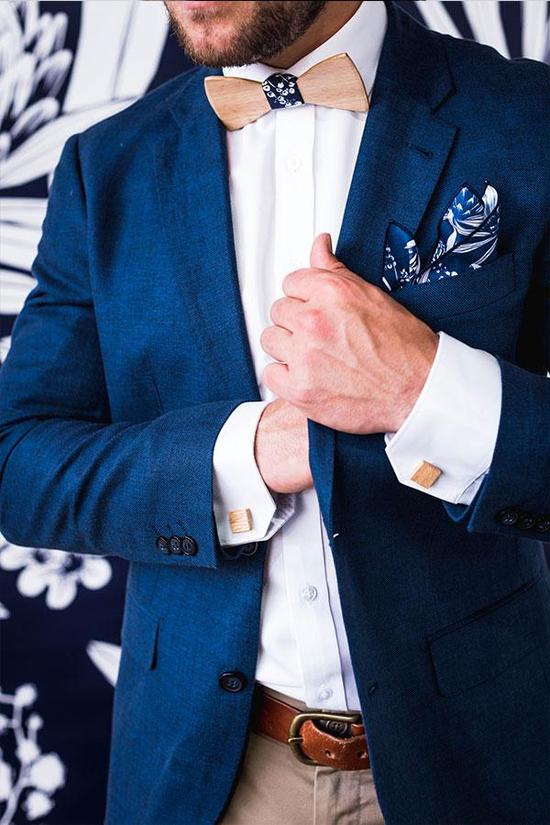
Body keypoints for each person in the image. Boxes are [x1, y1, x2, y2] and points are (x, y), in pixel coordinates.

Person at [0, 0, 548, 822]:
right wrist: (246, 455)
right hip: (208, 774)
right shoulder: (104, 167)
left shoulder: (528, 120)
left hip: (482, 761)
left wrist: (424, 389)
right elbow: (18, 463)